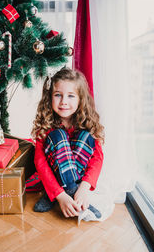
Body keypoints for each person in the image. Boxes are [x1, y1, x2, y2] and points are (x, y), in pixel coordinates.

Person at [31, 67, 104, 218]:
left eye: (71, 96)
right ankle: (68, 196)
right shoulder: (45, 127)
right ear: (50, 97)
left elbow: (97, 159)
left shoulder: (88, 123)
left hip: (79, 179)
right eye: (58, 95)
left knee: (86, 137)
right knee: (58, 136)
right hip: (54, 178)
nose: (64, 102)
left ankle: (73, 193)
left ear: (80, 99)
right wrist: (60, 195)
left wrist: (84, 188)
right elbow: (40, 162)